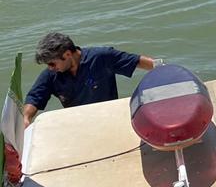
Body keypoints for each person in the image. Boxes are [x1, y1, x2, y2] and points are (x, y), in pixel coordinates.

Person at [23, 33, 156, 126]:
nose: (50, 68)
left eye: (52, 63)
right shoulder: (51, 75)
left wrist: (166, 71)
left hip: (110, 118)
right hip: (78, 125)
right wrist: (26, 118)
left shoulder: (101, 57)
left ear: (67, 54)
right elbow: (34, 98)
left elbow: (137, 62)